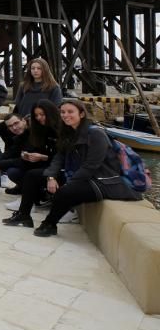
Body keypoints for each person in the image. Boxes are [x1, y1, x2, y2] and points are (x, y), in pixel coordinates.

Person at [28, 99, 142, 238]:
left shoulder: (96, 134)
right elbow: (59, 157)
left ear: (81, 114)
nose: (65, 115)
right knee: (33, 175)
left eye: (70, 112)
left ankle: (49, 224)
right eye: (63, 112)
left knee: (65, 192)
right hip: (86, 176)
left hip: (104, 180)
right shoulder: (69, 133)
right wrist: (51, 177)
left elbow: (92, 165)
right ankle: (24, 216)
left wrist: (70, 183)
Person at [2, 100, 63, 227]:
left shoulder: (62, 129)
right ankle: (24, 215)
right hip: (50, 165)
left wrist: (44, 159)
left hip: (63, 168)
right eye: (36, 115)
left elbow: (62, 157)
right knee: (27, 172)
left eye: (42, 114)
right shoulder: (39, 130)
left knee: (30, 174)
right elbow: (16, 152)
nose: (39, 118)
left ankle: (31, 214)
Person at [0, 112, 29, 190]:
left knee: (12, 171)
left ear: (24, 120)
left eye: (16, 123)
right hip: (27, 161)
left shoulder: (32, 134)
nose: (14, 128)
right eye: (10, 126)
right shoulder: (20, 136)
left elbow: (24, 161)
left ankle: (30, 190)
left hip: (43, 167)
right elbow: (11, 151)